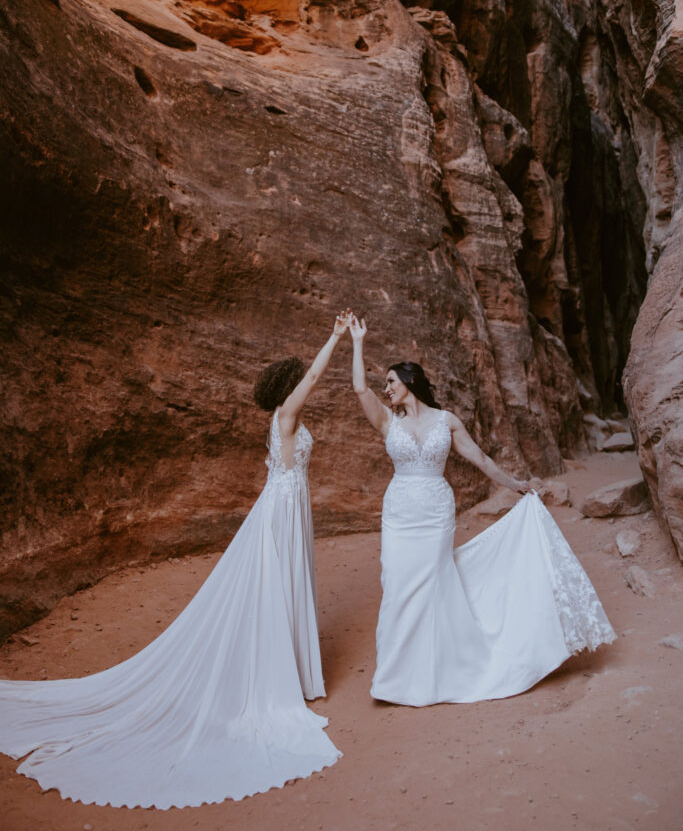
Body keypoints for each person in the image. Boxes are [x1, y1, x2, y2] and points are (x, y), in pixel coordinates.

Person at [0, 314, 351, 808]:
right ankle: (274, 681)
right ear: (288, 389)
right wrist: (335, 338)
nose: (303, 386)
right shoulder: (288, 415)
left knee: (281, 588)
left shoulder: (283, 422)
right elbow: (315, 379)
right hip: (282, 511)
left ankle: (285, 672)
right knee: (278, 586)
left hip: (286, 504)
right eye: (298, 383)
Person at [349, 314, 616, 706]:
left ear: (408, 383)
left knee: (433, 584)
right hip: (400, 513)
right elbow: (358, 388)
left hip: (437, 512)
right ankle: (394, 678)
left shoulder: (447, 421)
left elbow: (480, 459)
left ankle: (439, 670)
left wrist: (515, 484)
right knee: (397, 586)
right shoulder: (386, 420)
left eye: (390, 381)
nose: (384, 388)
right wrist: (357, 342)